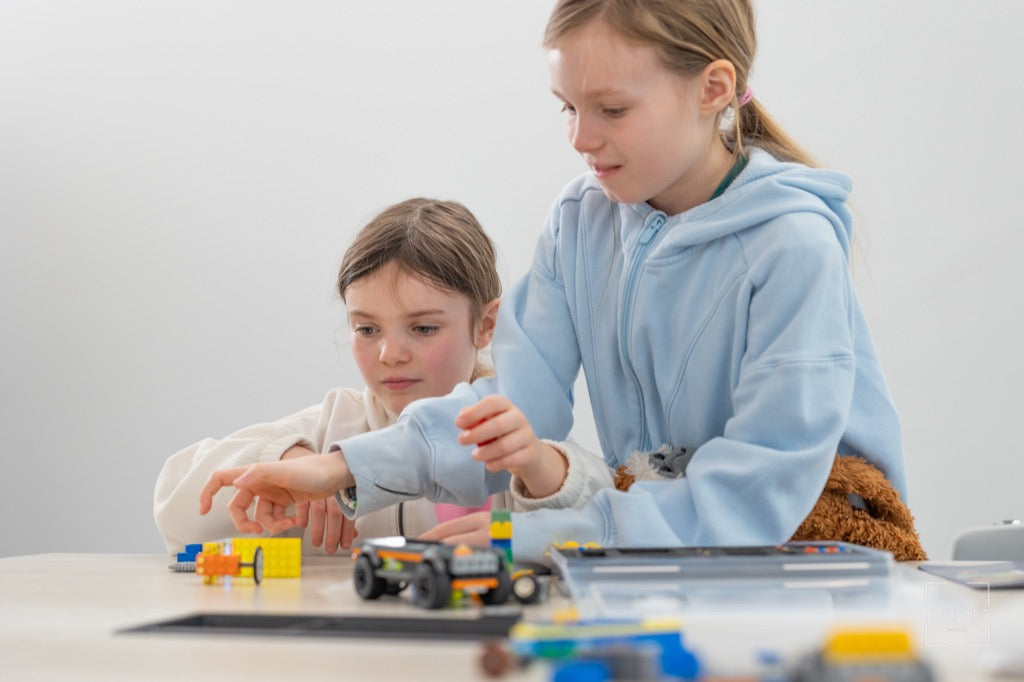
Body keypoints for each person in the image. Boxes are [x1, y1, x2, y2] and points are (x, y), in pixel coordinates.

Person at [200, 0, 911, 563]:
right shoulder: (582, 222)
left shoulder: (792, 244)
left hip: (818, 558)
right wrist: (343, 468)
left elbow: (757, 490)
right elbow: (513, 405)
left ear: (713, 88)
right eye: (567, 107)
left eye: (611, 109)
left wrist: (553, 537)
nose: (579, 137)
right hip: (679, 554)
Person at [155, 197, 614, 554]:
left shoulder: (513, 428)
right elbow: (175, 507)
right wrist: (290, 457)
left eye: (423, 328)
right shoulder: (330, 428)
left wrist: (539, 471)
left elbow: (604, 514)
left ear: (486, 325)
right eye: (367, 329)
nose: (390, 354)